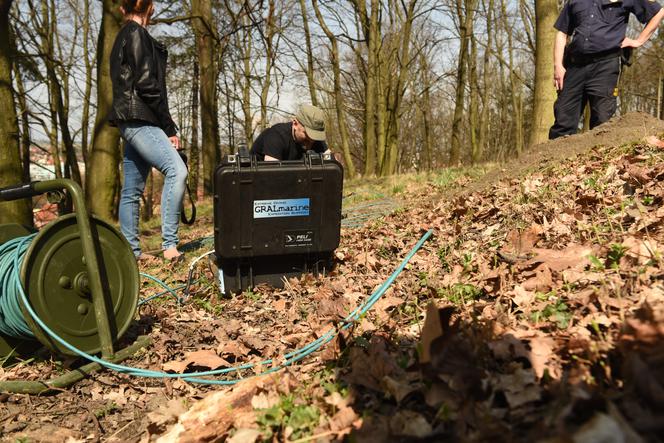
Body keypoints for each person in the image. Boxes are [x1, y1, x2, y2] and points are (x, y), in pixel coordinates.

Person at [108, 0, 187, 262]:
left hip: (128, 121)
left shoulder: (121, 36)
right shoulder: (135, 33)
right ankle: (170, 246)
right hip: (141, 119)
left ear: (123, 8)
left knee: (131, 190)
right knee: (177, 171)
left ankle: (131, 253)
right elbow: (146, 84)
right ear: (150, 8)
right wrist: (168, 126)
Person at [549, 0, 664, 140]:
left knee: (602, 121)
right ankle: (555, 160)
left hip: (605, 66)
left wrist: (638, 41)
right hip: (574, 66)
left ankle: (596, 160)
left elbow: (658, 12)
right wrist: (558, 66)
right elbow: (562, 32)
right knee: (563, 120)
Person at [250, 104, 330, 161]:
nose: (311, 141)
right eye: (307, 134)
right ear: (295, 124)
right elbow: (272, 176)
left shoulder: (313, 138)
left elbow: (332, 165)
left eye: (314, 136)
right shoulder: (276, 136)